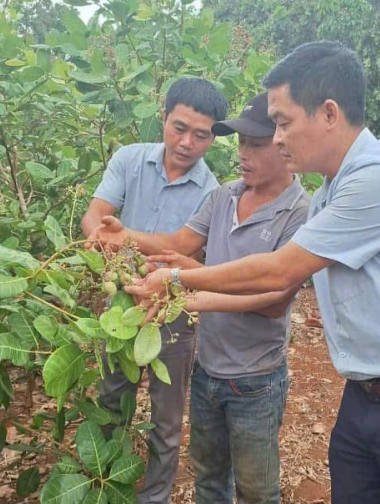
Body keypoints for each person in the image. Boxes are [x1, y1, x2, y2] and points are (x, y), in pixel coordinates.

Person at [126, 42, 380, 504]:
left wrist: (180, 281)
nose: (277, 139)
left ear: (328, 113)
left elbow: (280, 272)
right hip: (368, 396)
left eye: (282, 123)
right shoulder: (329, 194)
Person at [90, 92, 310, 503]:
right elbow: (179, 242)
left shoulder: (299, 213)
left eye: (256, 145)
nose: (244, 154)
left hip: (256, 378)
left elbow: (275, 299)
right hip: (208, 371)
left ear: (284, 145)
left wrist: (193, 290)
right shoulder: (224, 195)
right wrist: (127, 237)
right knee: (209, 478)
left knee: (256, 490)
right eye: (241, 143)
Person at [80, 77, 228, 504]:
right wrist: (104, 238)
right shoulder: (129, 160)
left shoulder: (212, 192)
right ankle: (102, 483)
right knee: (110, 401)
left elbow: (182, 247)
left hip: (173, 316)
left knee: (166, 419)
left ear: (213, 137)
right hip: (121, 306)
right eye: (179, 128)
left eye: (201, 135)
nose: (187, 142)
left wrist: (121, 237)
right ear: (162, 117)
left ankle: (154, 498)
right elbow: (94, 216)